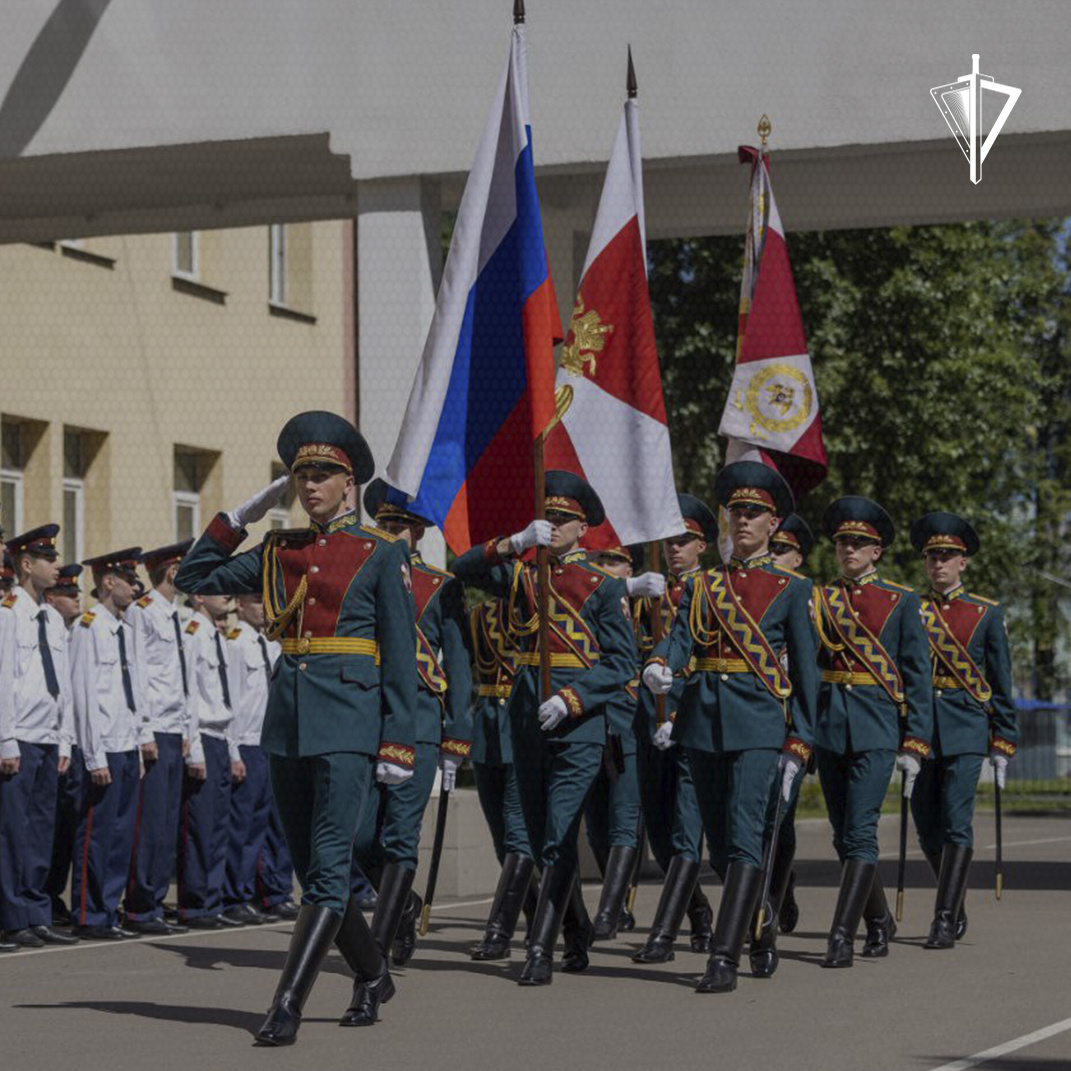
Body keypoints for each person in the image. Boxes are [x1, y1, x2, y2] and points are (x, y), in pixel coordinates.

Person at [175, 410, 417, 1044]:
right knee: (313, 874)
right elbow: (191, 579)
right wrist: (238, 519)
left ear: (350, 483)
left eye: (322, 474)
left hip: (349, 720)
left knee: (330, 868)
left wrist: (398, 739)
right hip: (287, 722)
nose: (308, 485)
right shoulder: (280, 550)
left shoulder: (382, 552)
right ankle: (371, 972)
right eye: (300, 475)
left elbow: (399, 652)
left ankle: (286, 1004)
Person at [452, 471, 635, 986]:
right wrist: (511, 544)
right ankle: (576, 931)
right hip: (526, 723)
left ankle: (540, 949)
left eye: (562, 520)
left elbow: (621, 663)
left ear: (583, 528)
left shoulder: (603, 586)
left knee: (557, 836)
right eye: (546, 518)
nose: (552, 526)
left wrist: (573, 698)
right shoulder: (521, 576)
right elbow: (464, 570)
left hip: (577, 727)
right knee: (535, 839)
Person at [643, 462, 818, 994]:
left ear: (773, 523)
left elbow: (807, 673)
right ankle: (759, 923)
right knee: (719, 848)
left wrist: (800, 742)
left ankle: (724, 957)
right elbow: (680, 638)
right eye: (736, 511)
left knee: (744, 839)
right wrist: (659, 663)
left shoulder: (790, 587)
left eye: (754, 512)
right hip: (702, 723)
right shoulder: (702, 585)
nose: (742, 520)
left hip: (758, 723)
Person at [351, 479, 472, 969]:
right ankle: (405, 903)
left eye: (402, 525)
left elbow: (459, 667)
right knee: (359, 837)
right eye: (385, 523)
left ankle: (379, 944)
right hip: (369, 719)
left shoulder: (441, 587)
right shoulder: (360, 573)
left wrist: (456, 733)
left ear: (419, 531)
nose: (393, 531)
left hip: (420, 719)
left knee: (401, 835)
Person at [813, 497, 932, 967]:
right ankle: (879, 919)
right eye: (843, 542)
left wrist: (915, 741)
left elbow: (917, 675)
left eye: (859, 543)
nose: (849, 549)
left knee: (861, 832)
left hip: (878, 726)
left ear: (876, 551)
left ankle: (840, 936)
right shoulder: (818, 599)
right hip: (829, 726)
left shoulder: (901, 601)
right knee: (842, 836)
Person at [909, 511, 1018, 950]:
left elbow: (1000, 680)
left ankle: (942, 917)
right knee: (926, 828)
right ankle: (954, 903)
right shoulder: (910, 609)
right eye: (932, 556)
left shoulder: (986, 613)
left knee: (956, 822)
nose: (938, 564)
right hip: (919, 731)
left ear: (963, 563)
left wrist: (1003, 739)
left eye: (947, 556)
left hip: (966, 729)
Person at [631, 494, 718, 965]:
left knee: (687, 831)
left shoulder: (714, 591)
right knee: (661, 837)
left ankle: (662, 936)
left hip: (692, 722)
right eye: (668, 541)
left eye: (683, 541)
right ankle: (699, 911)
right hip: (650, 720)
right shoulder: (652, 594)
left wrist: (679, 714)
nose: (673, 549)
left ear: (702, 545)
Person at [0, 525, 79, 947]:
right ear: (27, 565)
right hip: (21, 736)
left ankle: (36, 910)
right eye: (48, 560)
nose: (56, 565)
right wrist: (5, 739)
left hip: (48, 735)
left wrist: (65, 738)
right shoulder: (7, 613)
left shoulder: (50, 616)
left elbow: (62, 683)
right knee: (13, 830)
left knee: (41, 830)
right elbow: (2, 681)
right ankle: (13, 917)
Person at [69, 547, 149, 940]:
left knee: (120, 834)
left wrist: (136, 746)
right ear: (107, 581)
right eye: (128, 579)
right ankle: (89, 912)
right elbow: (83, 695)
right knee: (97, 834)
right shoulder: (88, 627)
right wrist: (93, 754)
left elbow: (130, 692)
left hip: (124, 743)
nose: (135, 587)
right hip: (101, 747)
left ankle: (109, 908)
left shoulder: (123, 630)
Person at [581, 544, 661, 940]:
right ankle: (620, 900)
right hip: (593, 716)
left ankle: (609, 911)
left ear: (631, 566)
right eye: (601, 562)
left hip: (633, 718)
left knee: (625, 818)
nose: (607, 569)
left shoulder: (650, 608)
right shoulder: (587, 603)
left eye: (615, 562)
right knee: (596, 827)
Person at [122, 540, 193, 935]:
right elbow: (139, 674)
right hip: (153, 730)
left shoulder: (174, 615)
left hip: (174, 727)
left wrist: (185, 728)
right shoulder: (143, 613)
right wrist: (144, 729)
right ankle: (139, 905)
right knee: (149, 822)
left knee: (166, 822)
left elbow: (178, 679)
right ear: (171, 571)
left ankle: (152, 901)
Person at [755, 513, 815, 958]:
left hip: (793, 721)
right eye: (770, 549)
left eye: (781, 551)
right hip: (754, 719)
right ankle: (779, 883)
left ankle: (768, 905)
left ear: (798, 558)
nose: (773, 556)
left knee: (779, 816)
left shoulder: (809, 597)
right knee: (759, 821)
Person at [467, 596, 535, 960]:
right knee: (501, 840)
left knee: (518, 836)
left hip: (527, 726)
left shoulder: (543, 604)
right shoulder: (479, 614)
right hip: (487, 729)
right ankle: (561, 919)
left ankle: (499, 931)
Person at [174, 590, 238, 929]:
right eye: (218, 589)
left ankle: (212, 901)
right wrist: (194, 747)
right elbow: (191, 695)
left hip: (221, 737)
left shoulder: (215, 633)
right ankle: (196, 904)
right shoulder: (194, 634)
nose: (226, 595)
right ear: (199, 597)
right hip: (203, 738)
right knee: (199, 826)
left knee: (217, 826)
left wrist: (232, 748)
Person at [221, 593, 282, 925]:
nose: (263, 607)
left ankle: (271, 891)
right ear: (240, 606)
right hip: (245, 742)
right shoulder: (235, 643)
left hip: (270, 741)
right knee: (243, 825)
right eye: (256, 602)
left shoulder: (270, 644)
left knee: (270, 824)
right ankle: (237, 894)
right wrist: (232, 750)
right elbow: (231, 699)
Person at [43, 564, 86, 926]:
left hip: (63, 741)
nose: (76, 600)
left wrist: (66, 742)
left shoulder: (68, 631)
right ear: (51, 598)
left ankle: (50, 897)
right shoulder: (73, 633)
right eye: (69, 595)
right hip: (43, 738)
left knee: (60, 826)